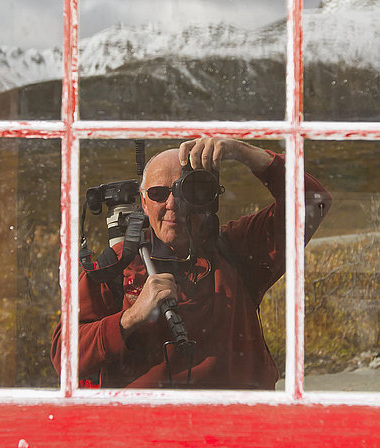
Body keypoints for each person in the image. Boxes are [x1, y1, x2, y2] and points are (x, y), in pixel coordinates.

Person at [51, 138, 331, 389]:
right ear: (143, 201)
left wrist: (244, 152)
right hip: (144, 428)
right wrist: (131, 317)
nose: (173, 203)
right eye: (159, 193)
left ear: (207, 200)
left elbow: (312, 201)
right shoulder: (117, 265)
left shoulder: (235, 250)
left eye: (186, 191)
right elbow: (64, 357)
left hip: (235, 424)